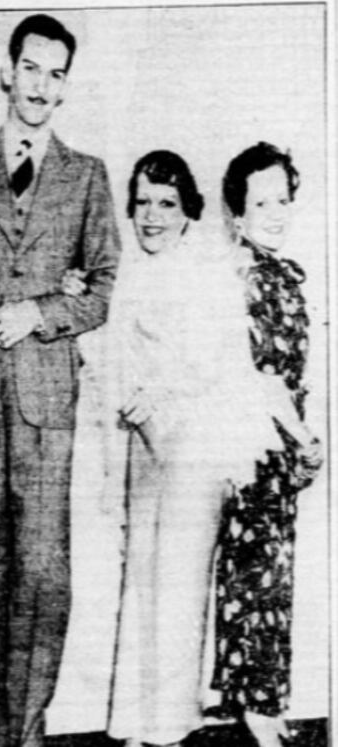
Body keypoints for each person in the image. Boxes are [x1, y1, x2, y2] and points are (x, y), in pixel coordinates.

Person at [63, 149, 312, 747]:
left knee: (177, 585)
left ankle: (170, 725)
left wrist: (158, 392)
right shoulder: (129, 270)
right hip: (141, 442)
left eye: (166, 205)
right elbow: (105, 351)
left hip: (193, 444)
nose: (152, 216)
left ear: (188, 210)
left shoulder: (204, 269)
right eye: (143, 203)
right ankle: (135, 725)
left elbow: (221, 361)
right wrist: (79, 295)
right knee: (140, 580)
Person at [0, 13, 120, 747]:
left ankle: (31, 729)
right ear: (8, 73)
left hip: (47, 408)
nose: (42, 84)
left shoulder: (87, 177)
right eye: (31, 68)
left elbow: (100, 289)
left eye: (56, 72)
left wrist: (39, 311)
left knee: (43, 577)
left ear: (66, 87)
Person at [211, 142, 323, 747]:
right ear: (237, 213)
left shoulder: (278, 272)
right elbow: (263, 378)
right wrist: (306, 440)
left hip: (276, 449)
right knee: (256, 577)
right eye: (262, 202)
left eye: (283, 198)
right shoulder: (248, 275)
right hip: (253, 444)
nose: (276, 212)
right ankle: (257, 710)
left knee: (268, 575)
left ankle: (263, 704)